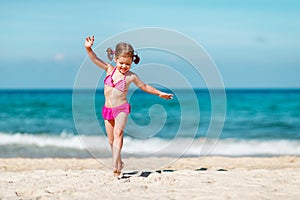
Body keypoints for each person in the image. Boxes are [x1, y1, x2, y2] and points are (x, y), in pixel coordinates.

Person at [85, 36, 173, 175]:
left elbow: (144, 86)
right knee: (111, 139)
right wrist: (88, 48)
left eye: (128, 64)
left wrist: (159, 93)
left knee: (118, 133)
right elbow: (94, 59)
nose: (124, 67)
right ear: (115, 59)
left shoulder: (131, 76)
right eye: (121, 63)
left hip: (122, 109)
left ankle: (114, 162)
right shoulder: (109, 70)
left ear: (132, 62)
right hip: (108, 110)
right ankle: (119, 160)